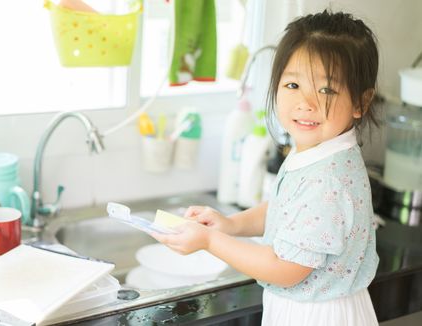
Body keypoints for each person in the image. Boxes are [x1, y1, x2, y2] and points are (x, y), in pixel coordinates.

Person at [151, 10, 380, 326]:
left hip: (317, 315)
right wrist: (230, 225)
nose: (305, 102)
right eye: (293, 84)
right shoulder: (320, 152)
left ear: (361, 102)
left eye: (326, 89)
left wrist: (210, 241)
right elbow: (286, 210)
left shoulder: (327, 179)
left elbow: (285, 268)